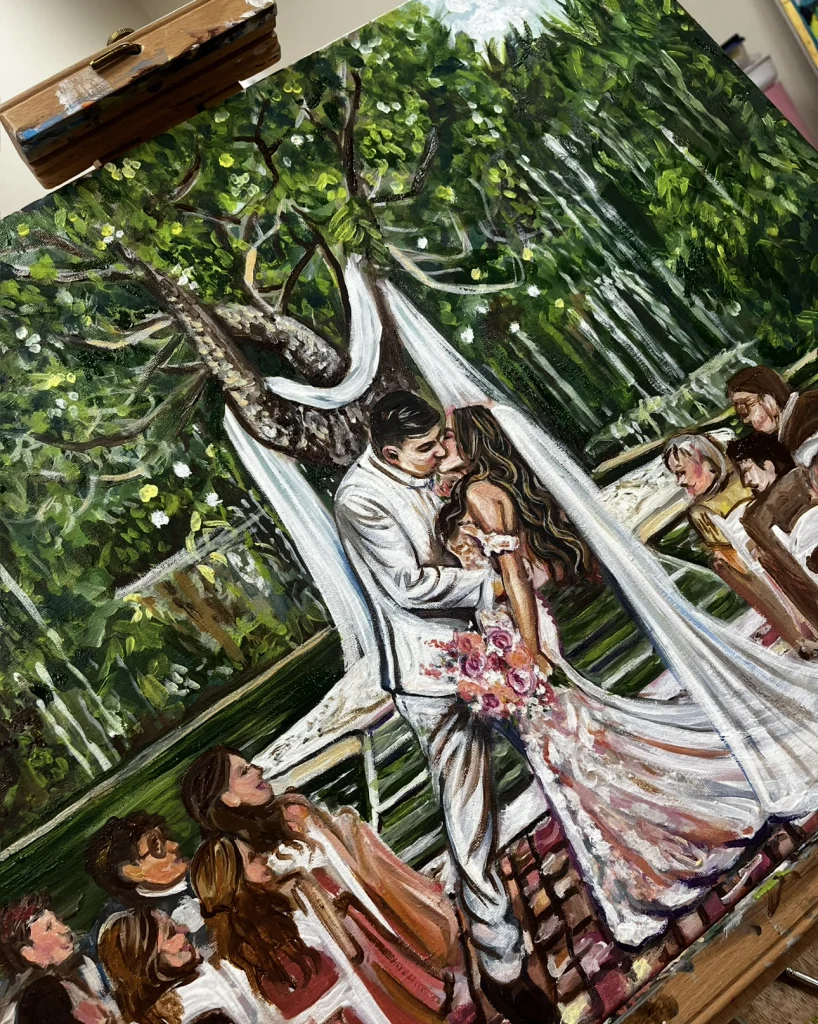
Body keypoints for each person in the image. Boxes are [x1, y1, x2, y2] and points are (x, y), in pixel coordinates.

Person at [333, 392, 557, 1024]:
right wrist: (496, 580)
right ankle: (503, 964)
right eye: (428, 448)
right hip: (432, 674)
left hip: (491, 647)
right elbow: (408, 586)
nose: (442, 454)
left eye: (441, 441)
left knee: (559, 749)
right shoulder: (359, 499)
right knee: (469, 815)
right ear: (389, 451)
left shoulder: (433, 473)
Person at [180, 746, 471, 1024]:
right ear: (228, 798)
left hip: (368, 913)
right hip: (333, 943)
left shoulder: (293, 813)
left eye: (250, 765)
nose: (259, 770)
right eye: (244, 772)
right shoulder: (237, 859)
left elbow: (354, 869)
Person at [191, 834, 393, 1024]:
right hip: (355, 1008)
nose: (263, 858)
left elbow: (268, 1016)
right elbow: (350, 953)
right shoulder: (295, 902)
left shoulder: (230, 957)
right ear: (234, 881)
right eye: (252, 858)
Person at [663, 432, 811, 650]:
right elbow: (733, 561)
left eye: (681, 472)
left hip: (790, 542)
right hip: (761, 566)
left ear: (705, 462)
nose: (680, 481)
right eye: (676, 475)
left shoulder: (744, 477)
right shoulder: (700, 511)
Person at [98, 908, 264, 1024]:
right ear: (147, 963)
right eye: (171, 933)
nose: (183, 931)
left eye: (175, 924)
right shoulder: (193, 1006)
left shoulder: (196, 977)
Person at [727, 433, 818, 638]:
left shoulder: (760, 513)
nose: (745, 482)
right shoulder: (754, 515)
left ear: (768, 464)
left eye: (747, 471)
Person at [86, 813, 207, 950]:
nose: (174, 845)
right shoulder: (139, 926)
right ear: (133, 872)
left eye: (166, 837)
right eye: (156, 846)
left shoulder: (204, 870)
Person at [0, 894, 117, 1024]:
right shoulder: (41, 999)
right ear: (29, 954)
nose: (65, 928)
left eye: (58, 920)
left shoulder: (82, 967)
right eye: (49, 927)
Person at [727, 365, 818, 463]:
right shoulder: (789, 432)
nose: (746, 419)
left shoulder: (807, 418)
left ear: (771, 396)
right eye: (739, 409)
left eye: (749, 403)